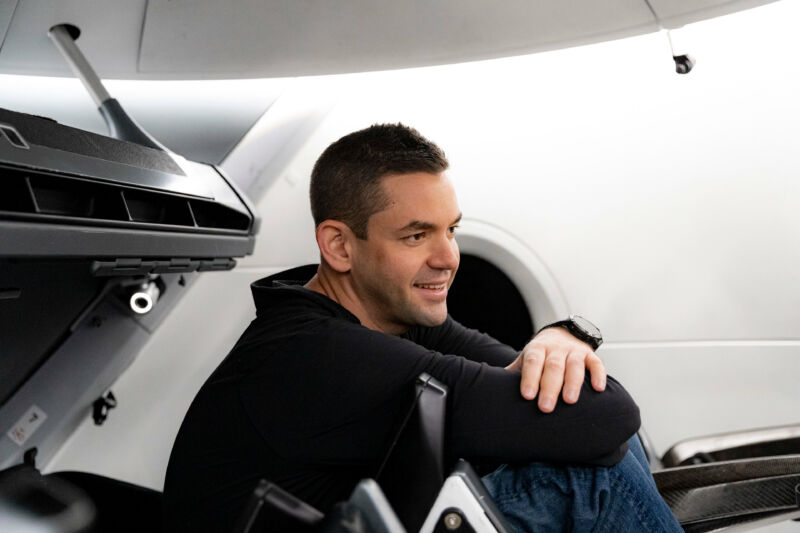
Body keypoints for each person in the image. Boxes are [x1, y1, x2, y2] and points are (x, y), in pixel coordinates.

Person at [164, 124, 682, 532]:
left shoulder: (390, 314)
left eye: (451, 230)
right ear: (339, 246)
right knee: (588, 481)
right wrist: (559, 375)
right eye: (416, 236)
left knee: (585, 450)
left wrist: (556, 336)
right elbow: (606, 418)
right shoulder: (313, 354)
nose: (448, 258)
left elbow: (581, 404)